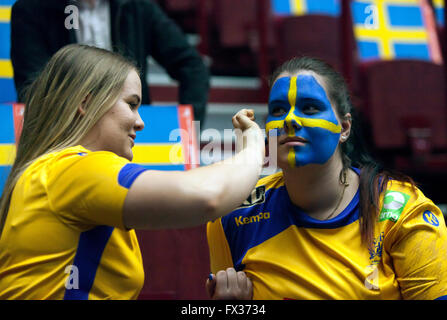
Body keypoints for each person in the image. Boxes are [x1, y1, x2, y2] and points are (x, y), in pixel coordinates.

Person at [0, 44, 263, 299]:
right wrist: (254, 147)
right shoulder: (74, 169)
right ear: (86, 102)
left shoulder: (50, 172)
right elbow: (209, 196)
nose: (140, 122)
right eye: (131, 104)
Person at [206, 56, 447, 300]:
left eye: (310, 107)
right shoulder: (235, 214)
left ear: (344, 128)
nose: (289, 119)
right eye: (278, 110)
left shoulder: (403, 211)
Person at [10, 0, 209, 123]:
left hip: (131, 132)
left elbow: (192, 67)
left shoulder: (138, 7)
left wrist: (189, 127)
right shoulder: (31, 9)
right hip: (67, 132)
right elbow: (33, 86)